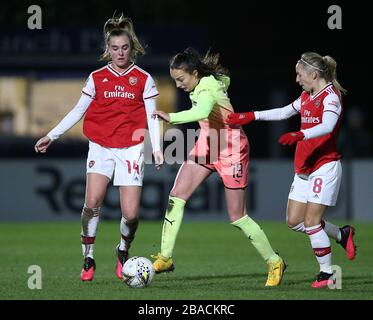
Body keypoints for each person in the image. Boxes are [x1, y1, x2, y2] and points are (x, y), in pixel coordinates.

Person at [34, 15, 164, 282]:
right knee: (91, 203)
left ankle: (122, 251)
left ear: (132, 48)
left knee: (131, 215)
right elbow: (78, 111)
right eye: (115, 48)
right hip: (101, 147)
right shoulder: (97, 77)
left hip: (131, 149)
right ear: (108, 48)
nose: (120, 53)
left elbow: (152, 117)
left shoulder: (143, 79)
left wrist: (158, 148)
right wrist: (52, 135)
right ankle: (89, 255)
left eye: (125, 48)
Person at [151, 47, 286, 286]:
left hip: (232, 150)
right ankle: (165, 257)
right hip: (208, 145)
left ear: (194, 73)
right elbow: (225, 80)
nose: (179, 85)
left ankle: (275, 261)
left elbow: (201, 110)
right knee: (176, 195)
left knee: (237, 217)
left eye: (181, 79)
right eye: (175, 80)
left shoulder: (207, 87)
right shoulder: (208, 82)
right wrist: (222, 86)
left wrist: (170, 117)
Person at [226, 52, 356, 288]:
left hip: (324, 166)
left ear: (314, 74)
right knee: (295, 221)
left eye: (299, 74)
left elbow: (328, 126)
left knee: (312, 222)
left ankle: (327, 274)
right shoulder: (308, 95)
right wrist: (251, 116)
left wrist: (300, 134)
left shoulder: (331, 98)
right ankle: (341, 234)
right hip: (304, 167)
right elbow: (285, 111)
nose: (296, 79)